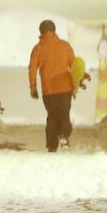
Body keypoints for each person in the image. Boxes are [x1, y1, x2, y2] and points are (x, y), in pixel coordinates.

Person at [29, 20, 76, 152]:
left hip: (48, 90)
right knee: (64, 114)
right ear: (54, 30)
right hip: (65, 87)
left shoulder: (38, 49)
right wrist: (77, 82)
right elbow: (74, 65)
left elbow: (32, 69)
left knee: (52, 116)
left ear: (41, 32)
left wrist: (33, 87)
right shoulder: (65, 46)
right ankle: (64, 136)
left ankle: (51, 145)